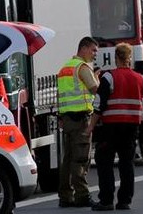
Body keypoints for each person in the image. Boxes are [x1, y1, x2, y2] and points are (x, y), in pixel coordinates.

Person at [88, 43, 143, 211]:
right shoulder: (139, 78)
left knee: (104, 162)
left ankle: (106, 200)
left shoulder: (109, 77)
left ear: (115, 58)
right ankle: (125, 200)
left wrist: (90, 127)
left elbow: (99, 105)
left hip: (111, 127)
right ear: (129, 58)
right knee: (127, 163)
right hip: (132, 126)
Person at [57, 37, 99, 208]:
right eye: (93, 50)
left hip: (67, 119)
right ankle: (82, 195)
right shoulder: (82, 68)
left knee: (68, 160)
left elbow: (62, 95)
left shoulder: (65, 67)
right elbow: (95, 89)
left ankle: (65, 196)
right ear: (83, 48)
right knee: (80, 159)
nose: (95, 54)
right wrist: (96, 78)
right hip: (81, 119)